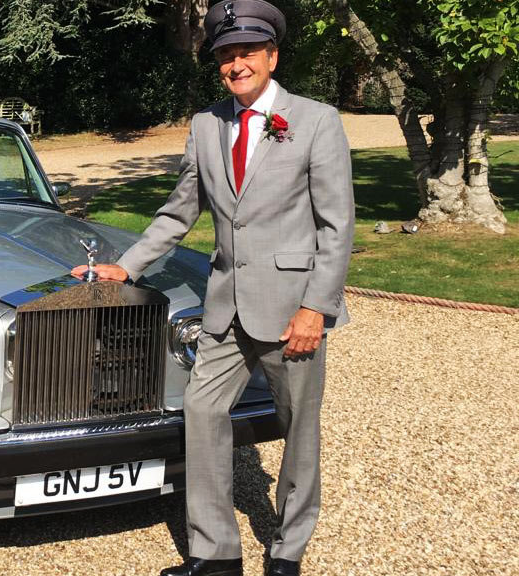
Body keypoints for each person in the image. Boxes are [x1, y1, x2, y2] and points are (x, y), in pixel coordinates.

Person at [72, 2, 355, 575]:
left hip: (291, 310)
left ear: (272, 57)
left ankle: (288, 549)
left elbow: (336, 224)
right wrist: (128, 266)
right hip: (225, 305)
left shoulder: (317, 120)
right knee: (202, 412)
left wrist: (314, 309)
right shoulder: (206, 125)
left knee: (298, 427)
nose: (236, 64)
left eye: (247, 52)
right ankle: (216, 553)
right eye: (226, 55)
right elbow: (179, 213)